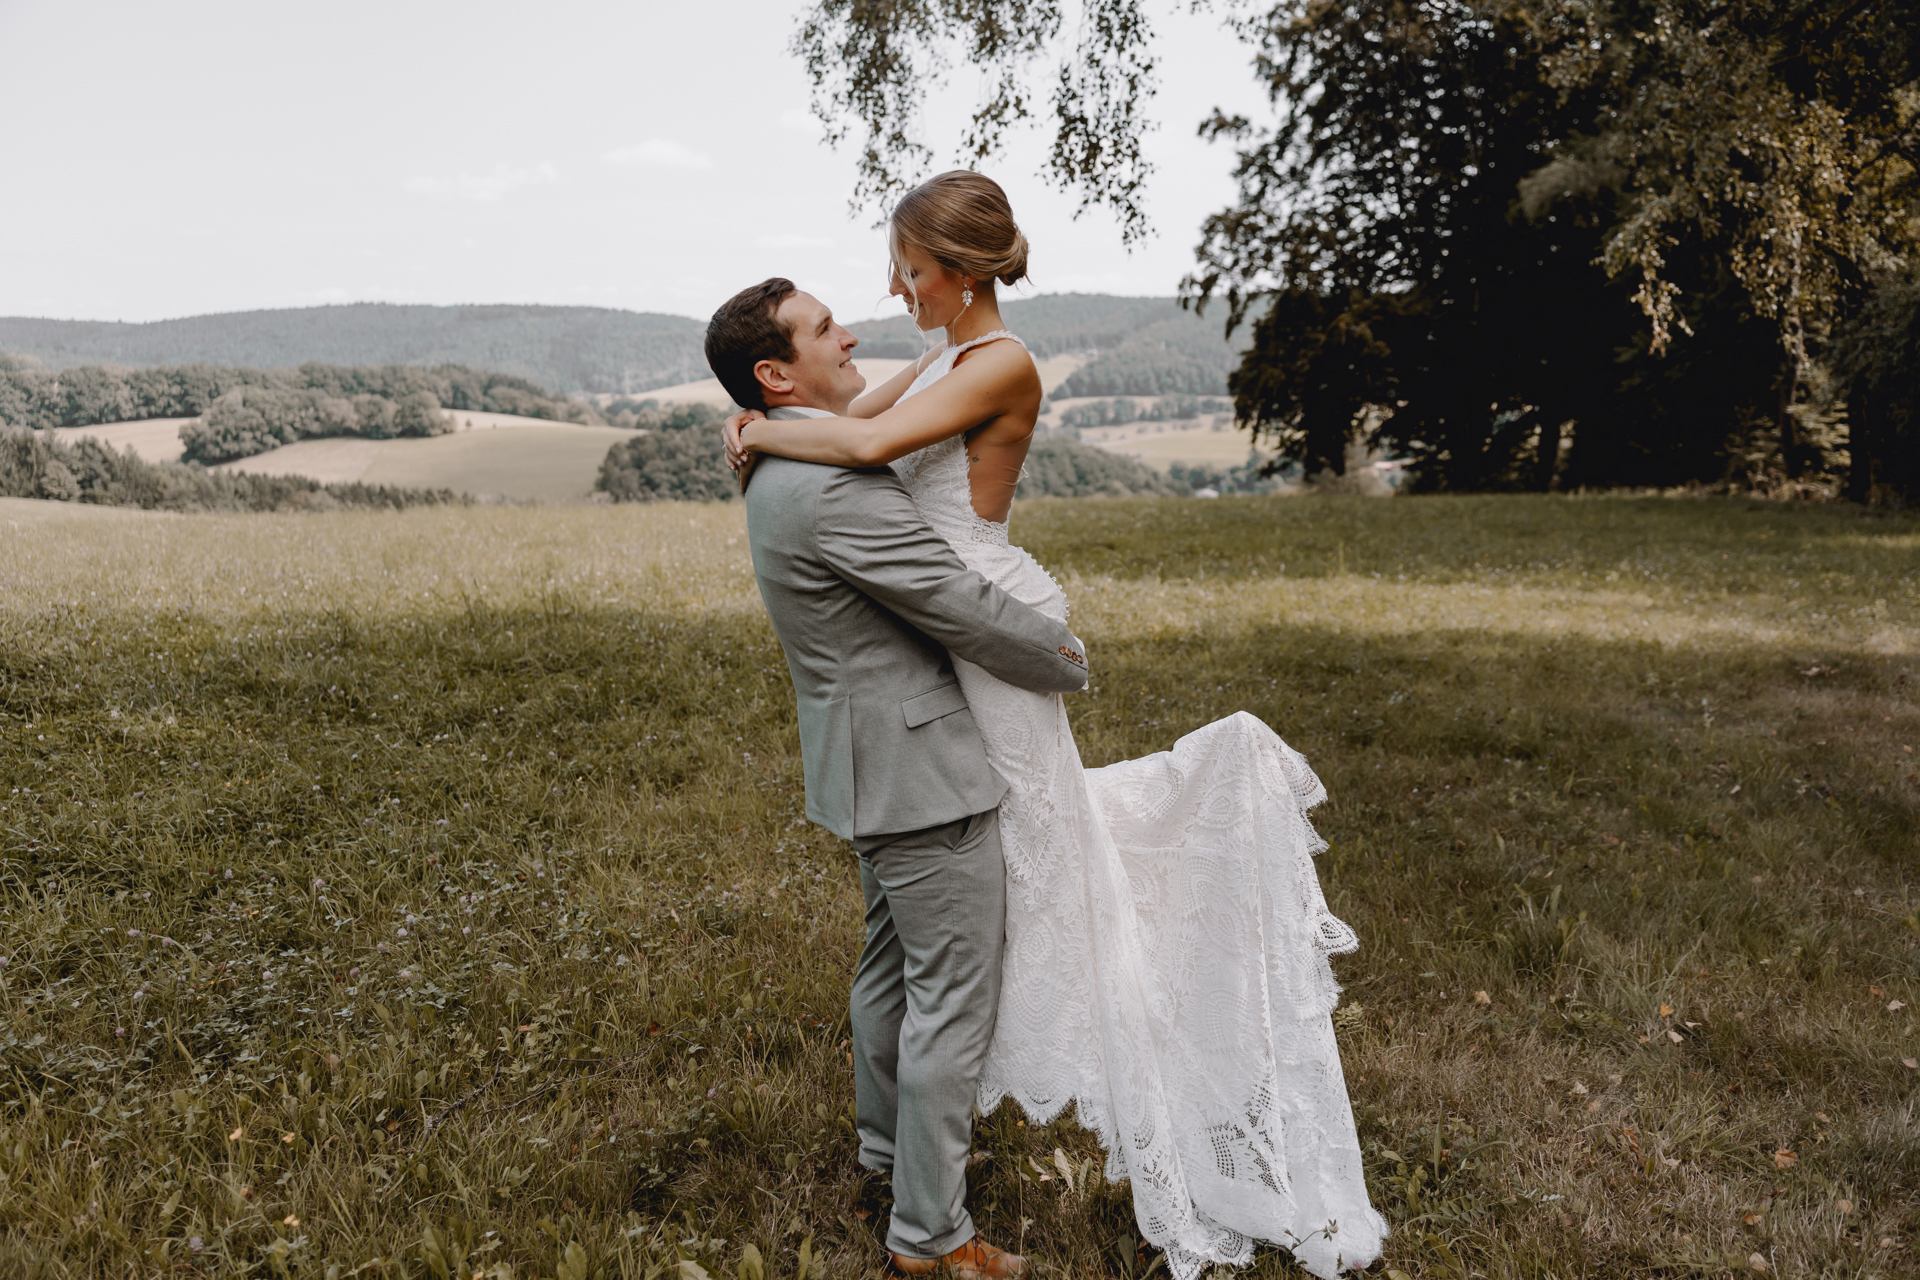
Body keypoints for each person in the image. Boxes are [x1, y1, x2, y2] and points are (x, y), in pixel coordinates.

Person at [721, 171, 1388, 1280]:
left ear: (962, 270)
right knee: (957, 940)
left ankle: (930, 1162)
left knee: (1001, 897)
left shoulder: (1003, 361)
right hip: (948, 656)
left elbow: (851, 444)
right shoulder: (937, 361)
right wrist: (772, 421)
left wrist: (758, 425)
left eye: (910, 269)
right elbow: (845, 429)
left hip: (979, 628)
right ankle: (921, 1212)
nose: (892, 290)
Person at [704, 277, 1092, 1279]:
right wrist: (1061, 656)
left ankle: (889, 1155)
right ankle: (932, 1235)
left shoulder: (779, 462)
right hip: (922, 769)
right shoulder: (827, 483)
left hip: (867, 760)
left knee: (891, 968)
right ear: (775, 371)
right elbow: (951, 601)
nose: (852, 334)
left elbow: (869, 424)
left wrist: (927, 364)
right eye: (826, 328)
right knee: (951, 996)